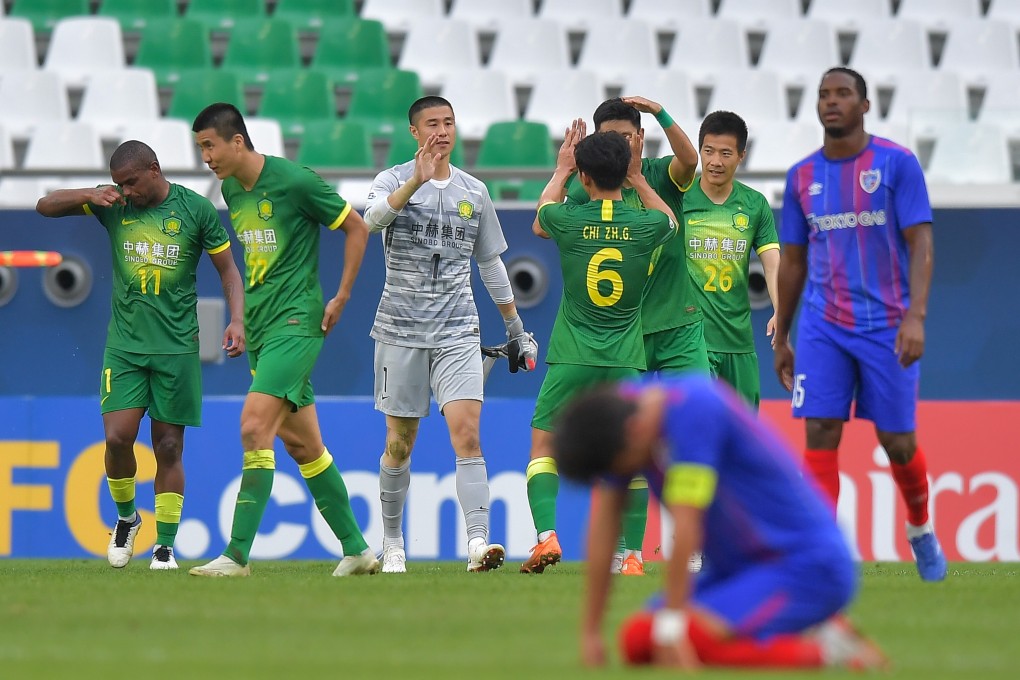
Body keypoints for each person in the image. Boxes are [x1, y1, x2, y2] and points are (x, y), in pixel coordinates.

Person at [553, 376, 887, 670]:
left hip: (806, 566)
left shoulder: (695, 408)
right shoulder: (620, 418)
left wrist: (672, 626)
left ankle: (827, 653)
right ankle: (816, 630)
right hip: (736, 572)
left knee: (687, 638)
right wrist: (591, 631)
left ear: (634, 432)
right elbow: (605, 524)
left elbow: (687, 523)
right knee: (636, 640)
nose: (623, 477)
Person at [36, 140, 246, 571]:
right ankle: (127, 518)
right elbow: (44, 205)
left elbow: (228, 270)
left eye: (130, 183)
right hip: (125, 347)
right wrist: (89, 195)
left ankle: (164, 546)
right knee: (117, 437)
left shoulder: (195, 211)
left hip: (177, 347)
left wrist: (237, 319)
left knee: (168, 445)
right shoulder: (112, 204)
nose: (125, 192)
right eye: (117, 184)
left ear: (154, 169)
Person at [188, 103, 378, 577]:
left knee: (254, 427)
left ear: (237, 141)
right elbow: (256, 263)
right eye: (200, 149)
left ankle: (236, 556)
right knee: (304, 447)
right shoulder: (230, 189)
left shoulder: (295, 181)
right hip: (262, 328)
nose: (205, 157)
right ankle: (358, 551)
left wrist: (342, 295)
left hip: (298, 323)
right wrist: (242, 319)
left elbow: (356, 226)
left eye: (210, 145)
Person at [774, 67, 947, 582]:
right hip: (823, 325)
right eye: (823, 94)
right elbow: (794, 261)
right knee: (821, 431)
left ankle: (919, 527)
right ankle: (823, 556)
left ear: (864, 105)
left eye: (842, 94)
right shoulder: (801, 176)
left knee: (898, 442)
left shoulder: (897, 164)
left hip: (887, 324)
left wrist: (916, 316)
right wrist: (782, 334)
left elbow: (922, 243)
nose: (831, 102)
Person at [363, 95, 538, 574]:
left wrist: (516, 329)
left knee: (467, 434)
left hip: (459, 329)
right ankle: (393, 540)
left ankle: (478, 543)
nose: (442, 131)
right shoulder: (393, 180)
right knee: (400, 443)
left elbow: (490, 264)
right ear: (415, 132)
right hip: (400, 329)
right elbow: (370, 219)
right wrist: (415, 181)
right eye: (432, 124)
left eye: (449, 123)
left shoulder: (474, 191)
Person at [536, 96, 702, 577]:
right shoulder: (642, 208)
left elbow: (544, 219)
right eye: (608, 137)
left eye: (626, 135)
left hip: (656, 329)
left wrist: (563, 170)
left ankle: (561, 538)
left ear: (640, 138)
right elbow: (668, 224)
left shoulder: (646, 175)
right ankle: (628, 552)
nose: (618, 143)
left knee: (675, 434)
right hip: (629, 339)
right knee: (630, 446)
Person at [684, 110, 780, 409]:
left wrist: (781, 311)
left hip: (738, 339)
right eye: (708, 151)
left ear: (741, 156)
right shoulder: (679, 198)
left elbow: (773, 263)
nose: (715, 161)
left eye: (726, 153)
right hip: (691, 340)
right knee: (699, 425)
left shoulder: (754, 205)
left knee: (742, 434)